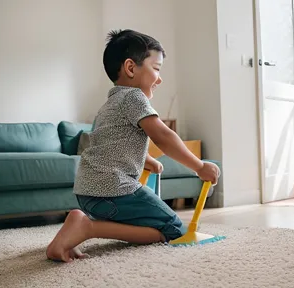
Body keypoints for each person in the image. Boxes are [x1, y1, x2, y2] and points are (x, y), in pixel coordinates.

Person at [46, 29, 221, 262]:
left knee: (157, 228)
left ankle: (81, 225)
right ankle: (87, 228)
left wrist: (146, 160)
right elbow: (164, 137)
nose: (160, 79)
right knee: (173, 228)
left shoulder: (109, 104)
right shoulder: (133, 97)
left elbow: (109, 145)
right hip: (112, 190)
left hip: (88, 192)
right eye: (156, 69)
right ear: (130, 68)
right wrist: (199, 167)